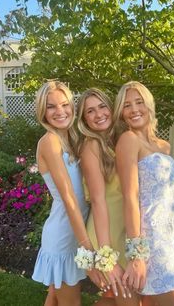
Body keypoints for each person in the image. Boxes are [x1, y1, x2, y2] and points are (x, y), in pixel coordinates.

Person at [113, 81, 174, 306]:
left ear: (149, 105)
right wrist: (136, 255)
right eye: (127, 105)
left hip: (170, 240)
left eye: (139, 102)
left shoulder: (164, 146)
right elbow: (130, 198)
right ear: (121, 112)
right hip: (151, 243)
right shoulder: (128, 140)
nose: (134, 109)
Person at [32, 81, 107, 306]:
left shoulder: (70, 139)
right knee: (71, 302)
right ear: (42, 111)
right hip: (64, 237)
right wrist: (87, 247)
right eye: (51, 106)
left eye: (65, 104)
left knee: (55, 296)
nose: (60, 111)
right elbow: (69, 199)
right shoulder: (50, 141)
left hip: (76, 232)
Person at [77, 88, 141, 306]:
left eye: (102, 106)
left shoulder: (120, 140)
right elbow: (98, 201)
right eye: (90, 112)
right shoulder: (91, 146)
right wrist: (106, 258)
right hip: (106, 236)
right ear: (84, 120)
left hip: (124, 231)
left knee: (118, 299)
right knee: (127, 300)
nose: (99, 114)